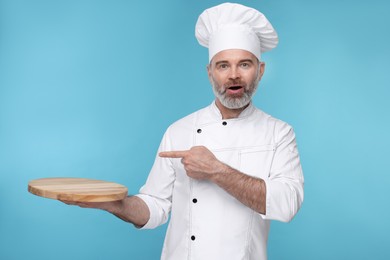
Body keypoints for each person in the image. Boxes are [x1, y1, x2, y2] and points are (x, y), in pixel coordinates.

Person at [64, 3, 304, 259]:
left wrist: (216, 170)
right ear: (209, 72)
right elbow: (155, 206)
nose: (234, 75)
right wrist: (115, 205)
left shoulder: (279, 133)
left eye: (244, 64)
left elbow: (287, 204)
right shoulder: (179, 130)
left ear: (260, 70)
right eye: (223, 66)